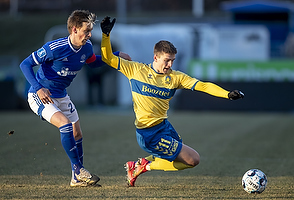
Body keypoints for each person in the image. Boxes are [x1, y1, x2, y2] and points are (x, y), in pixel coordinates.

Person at [100, 16, 244, 187]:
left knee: (180, 157)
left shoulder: (175, 78)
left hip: (164, 127)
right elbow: (107, 57)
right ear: (155, 57)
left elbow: (203, 86)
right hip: (148, 133)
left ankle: (137, 165)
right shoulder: (136, 70)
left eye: (172, 61)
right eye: (166, 60)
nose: (169, 64)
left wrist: (227, 94)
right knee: (193, 159)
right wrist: (105, 35)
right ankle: (143, 166)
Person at [19, 10, 131, 187]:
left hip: (61, 95)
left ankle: (76, 177)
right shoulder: (54, 48)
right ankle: (79, 169)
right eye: (86, 31)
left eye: (90, 31)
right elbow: (25, 64)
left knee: (77, 132)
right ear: (74, 29)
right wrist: (39, 88)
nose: (89, 35)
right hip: (40, 95)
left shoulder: (86, 48)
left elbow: (93, 62)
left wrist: (116, 56)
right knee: (65, 125)